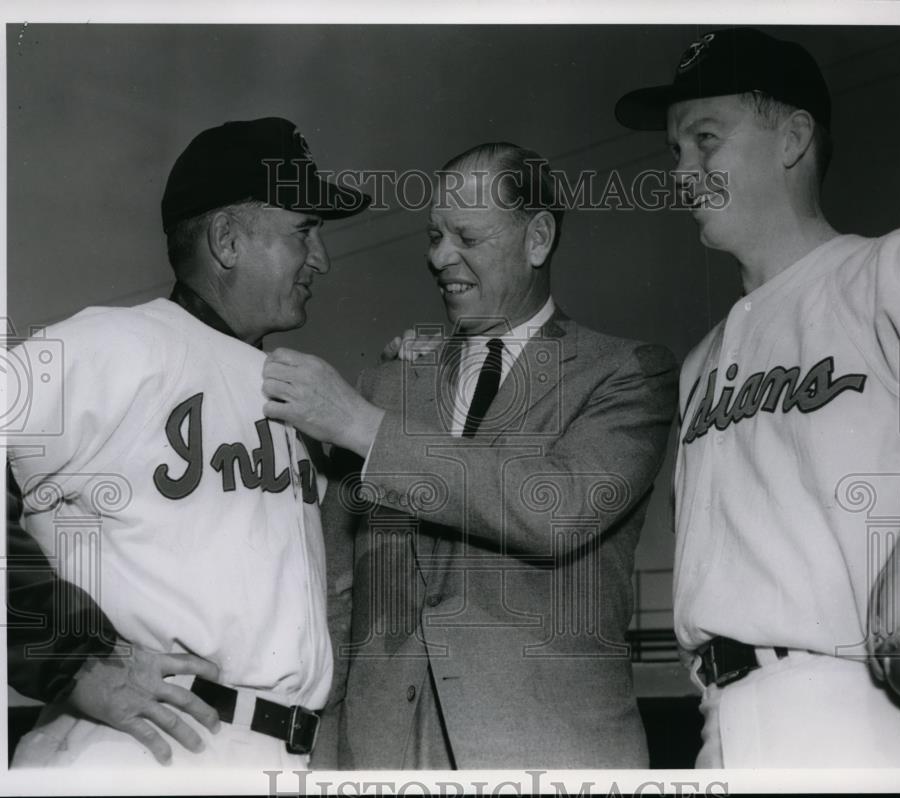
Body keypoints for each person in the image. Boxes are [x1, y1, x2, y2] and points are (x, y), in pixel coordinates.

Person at [261, 142, 678, 768]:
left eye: (466, 236)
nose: (439, 257)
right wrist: (320, 754)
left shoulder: (625, 373)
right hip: (385, 755)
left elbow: (555, 510)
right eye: (433, 234)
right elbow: (338, 589)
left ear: (537, 239)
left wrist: (363, 427)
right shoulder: (388, 382)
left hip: (547, 754)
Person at [614, 27, 900, 767]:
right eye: (675, 151)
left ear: (794, 138)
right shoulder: (701, 361)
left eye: (706, 139)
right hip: (722, 719)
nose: (683, 171)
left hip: (868, 707)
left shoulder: (897, 270)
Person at [6, 116, 369, 768]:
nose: (322, 259)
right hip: (146, 746)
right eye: (304, 232)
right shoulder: (116, 346)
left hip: (274, 753)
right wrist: (71, 661)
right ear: (228, 240)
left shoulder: (293, 393)